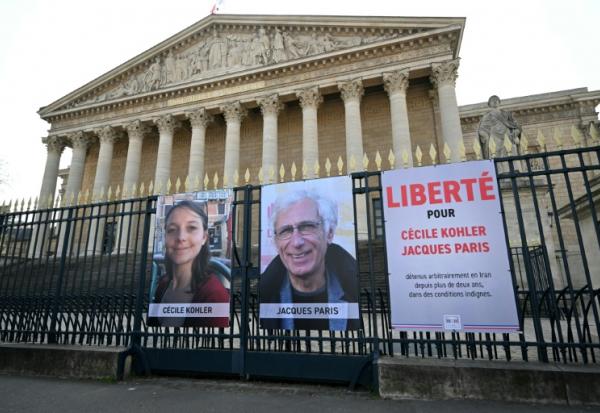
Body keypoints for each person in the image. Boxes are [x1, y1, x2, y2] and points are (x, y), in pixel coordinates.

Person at [259, 190, 359, 330]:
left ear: (329, 233)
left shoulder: (356, 291)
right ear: (276, 242)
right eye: (286, 231)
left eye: (307, 227)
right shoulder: (263, 296)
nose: (296, 242)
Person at [148, 200, 229, 328]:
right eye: (172, 229)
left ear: (204, 238)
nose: (181, 237)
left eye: (191, 228)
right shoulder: (163, 284)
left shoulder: (214, 294)